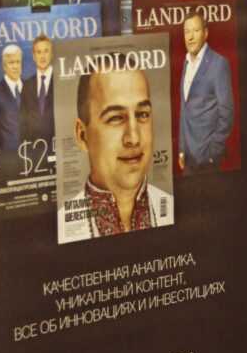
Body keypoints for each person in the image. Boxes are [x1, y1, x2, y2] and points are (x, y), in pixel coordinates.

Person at [70, 67, 174, 237]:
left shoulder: (172, 208)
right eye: (116, 118)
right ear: (82, 135)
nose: (134, 138)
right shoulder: (63, 228)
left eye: (142, 114)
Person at [178, 14, 234, 173]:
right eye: (186, 31)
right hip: (188, 157)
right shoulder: (186, 62)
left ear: (205, 33)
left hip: (208, 159)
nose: (190, 37)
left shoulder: (218, 64)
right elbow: (184, 109)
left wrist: (213, 152)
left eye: (195, 30)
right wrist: (181, 149)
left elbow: (227, 113)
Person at [20, 35, 54, 147]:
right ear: (34, 56)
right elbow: (22, 124)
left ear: (51, 54)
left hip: (57, 146)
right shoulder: (26, 85)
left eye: (46, 51)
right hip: (33, 149)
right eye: (38, 52)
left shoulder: (60, 81)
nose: (42, 56)